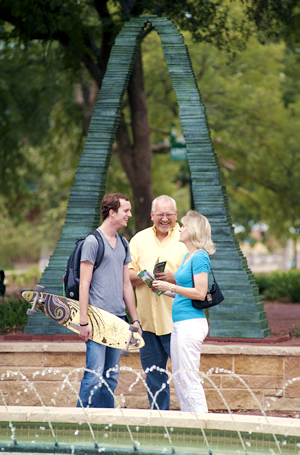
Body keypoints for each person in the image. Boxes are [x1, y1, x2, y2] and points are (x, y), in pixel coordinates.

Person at [77, 193, 142, 408]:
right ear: (112, 212)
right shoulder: (92, 242)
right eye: (126, 211)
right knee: (94, 375)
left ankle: (103, 422)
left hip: (118, 320)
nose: (129, 215)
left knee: (111, 377)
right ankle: (79, 422)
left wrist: (135, 320)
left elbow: (126, 285)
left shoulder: (123, 243)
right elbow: (84, 283)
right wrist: (83, 321)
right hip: (96, 320)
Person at [129, 195, 188, 410]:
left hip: (177, 321)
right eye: (160, 214)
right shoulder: (138, 239)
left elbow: (197, 277)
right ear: (152, 215)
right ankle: (160, 422)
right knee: (154, 379)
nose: (165, 219)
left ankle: (190, 421)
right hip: (147, 324)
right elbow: (127, 274)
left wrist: (174, 278)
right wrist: (148, 279)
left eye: (169, 215)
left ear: (176, 215)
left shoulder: (186, 239)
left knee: (185, 377)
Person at [153, 211, 215, 413]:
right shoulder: (188, 256)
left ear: (194, 230)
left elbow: (200, 292)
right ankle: (188, 423)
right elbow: (183, 294)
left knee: (189, 376)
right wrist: (162, 289)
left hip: (191, 324)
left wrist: (171, 287)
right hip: (180, 324)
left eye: (184, 226)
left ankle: (201, 425)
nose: (179, 229)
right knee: (180, 376)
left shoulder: (200, 257)